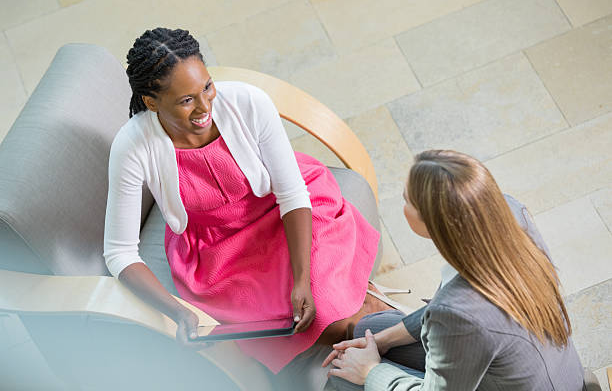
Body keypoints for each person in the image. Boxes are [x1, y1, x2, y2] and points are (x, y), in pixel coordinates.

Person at [103, 27, 393, 386]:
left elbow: (291, 192)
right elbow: (119, 253)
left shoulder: (248, 102)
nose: (205, 107)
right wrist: (176, 311)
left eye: (207, 87)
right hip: (220, 253)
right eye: (186, 100)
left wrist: (302, 279)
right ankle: (407, 345)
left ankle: (412, 351)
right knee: (314, 321)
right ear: (151, 102)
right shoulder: (132, 147)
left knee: (330, 312)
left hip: (287, 209)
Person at [324, 150, 586, 390]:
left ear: (435, 223)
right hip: (542, 371)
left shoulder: (459, 312)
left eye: (407, 200)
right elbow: (448, 310)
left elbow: (455, 316)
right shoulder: (510, 214)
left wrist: (370, 371)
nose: (402, 203)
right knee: (368, 330)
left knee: (342, 380)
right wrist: (384, 340)